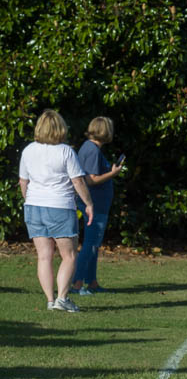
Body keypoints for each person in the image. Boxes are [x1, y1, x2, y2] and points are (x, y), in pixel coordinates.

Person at [18, 109, 94, 312]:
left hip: (34, 206)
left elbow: (23, 181)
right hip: (59, 206)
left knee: (44, 256)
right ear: (60, 129)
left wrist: (30, 200)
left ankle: (50, 300)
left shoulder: (28, 150)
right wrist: (88, 203)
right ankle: (62, 298)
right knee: (69, 255)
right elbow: (77, 180)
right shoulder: (65, 151)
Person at [71, 116, 125, 295]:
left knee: (94, 244)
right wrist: (113, 174)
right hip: (94, 204)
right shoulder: (93, 150)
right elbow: (91, 180)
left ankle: (91, 282)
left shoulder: (90, 148)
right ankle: (77, 283)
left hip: (96, 203)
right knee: (91, 243)